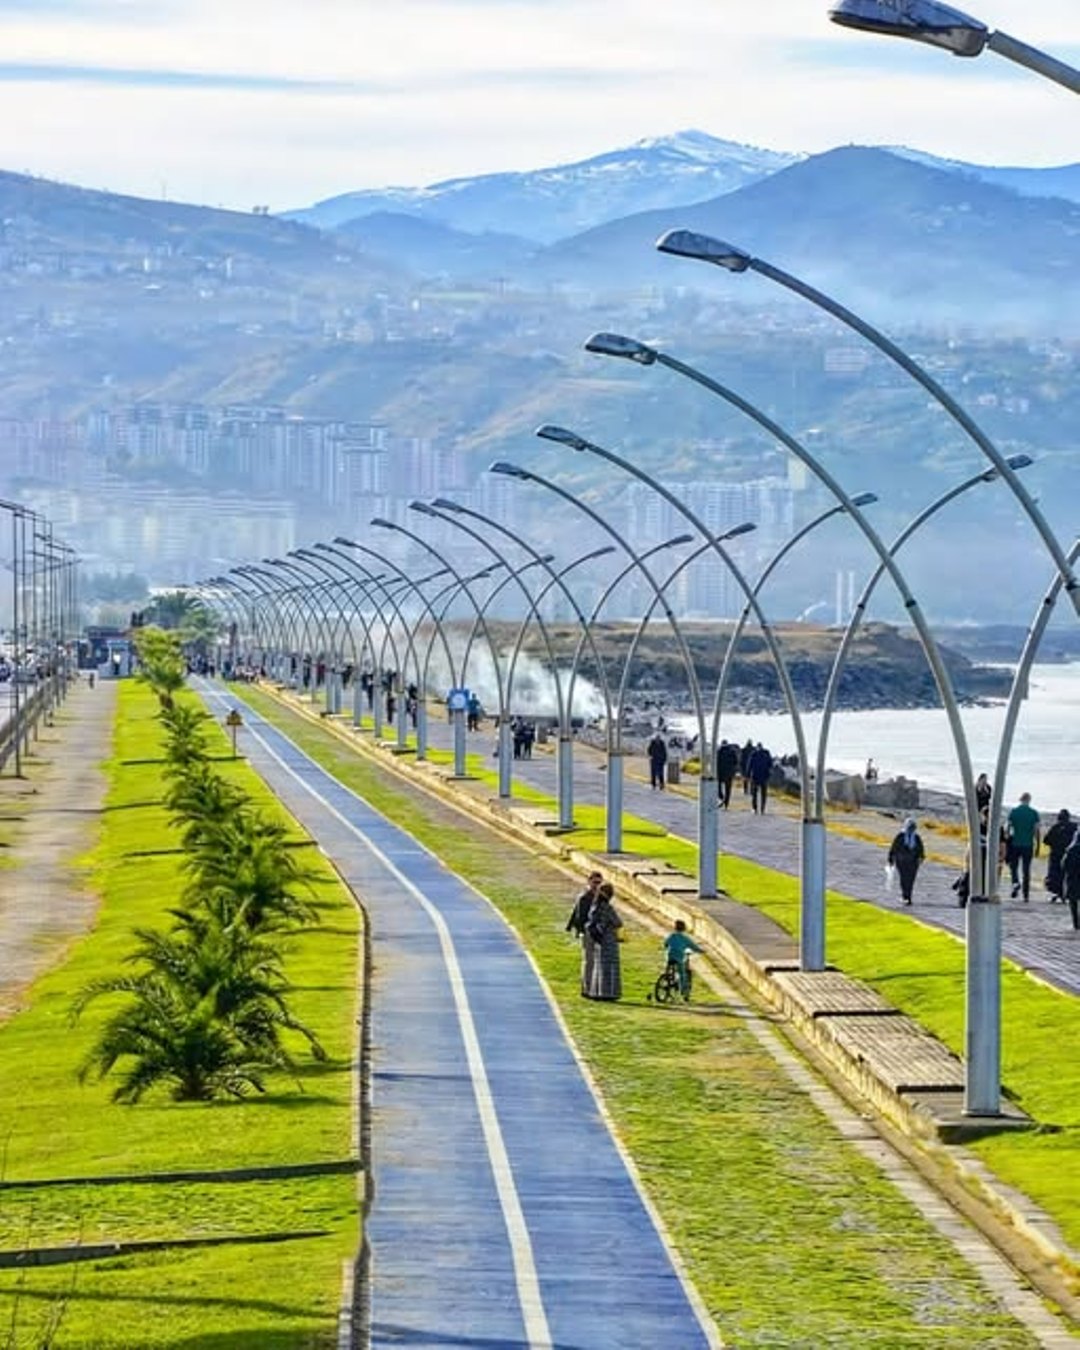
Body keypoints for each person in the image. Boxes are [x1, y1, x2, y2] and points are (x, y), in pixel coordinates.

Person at [565, 872, 603, 996]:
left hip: (597, 932)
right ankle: (586, 989)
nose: (597, 885)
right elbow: (579, 916)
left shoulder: (599, 897)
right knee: (589, 961)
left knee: (596, 961)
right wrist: (580, 931)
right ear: (589, 881)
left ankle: (594, 988)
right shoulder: (584, 897)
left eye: (599, 883)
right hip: (588, 932)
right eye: (595, 882)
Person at [586, 882, 623, 1001]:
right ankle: (608, 992)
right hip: (608, 939)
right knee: (610, 967)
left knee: (598, 965)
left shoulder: (594, 906)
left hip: (598, 939)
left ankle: (596, 991)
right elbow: (618, 922)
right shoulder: (607, 907)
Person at [1006, 792, 1042, 901]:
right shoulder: (1034, 813)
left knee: (1013, 867)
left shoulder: (1014, 812)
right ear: (1029, 800)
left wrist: (1006, 841)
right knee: (1026, 870)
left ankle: (1015, 883)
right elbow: (1036, 831)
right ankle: (1026, 895)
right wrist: (1038, 846)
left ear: (1020, 800)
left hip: (1015, 844)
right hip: (1028, 844)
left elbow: (1008, 828)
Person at [887, 816, 925, 906]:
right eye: (910, 827)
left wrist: (921, 857)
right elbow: (893, 848)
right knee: (904, 879)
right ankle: (905, 896)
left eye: (913, 827)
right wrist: (891, 859)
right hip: (901, 862)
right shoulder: (900, 836)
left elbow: (921, 849)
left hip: (913, 863)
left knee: (911, 880)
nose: (911, 829)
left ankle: (908, 896)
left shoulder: (916, 838)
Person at [663, 919, 703, 999]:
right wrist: (701, 951)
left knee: (668, 966)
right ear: (684, 928)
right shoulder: (685, 938)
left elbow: (666, 943)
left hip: (670, 955)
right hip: (679, 957)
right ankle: (683, 991)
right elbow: (693, 946)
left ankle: (665, 978)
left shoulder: (671, 936)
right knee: (682, 974)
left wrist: (667, 946)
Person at [1043, 809, 1076, 903]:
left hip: (1056, 855)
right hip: (1070, 854)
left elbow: (1046, 840)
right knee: (1069, 874)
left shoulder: (1055, 827)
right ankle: (1068, 893)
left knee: (1055, 874)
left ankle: (1056, 892)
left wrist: (1054, 844)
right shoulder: (1074, 827)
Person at [748, 742, 773, 814]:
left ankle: (755, 808)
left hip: (755, 776)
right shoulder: (766, 754)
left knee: (754, 793)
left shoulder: (754, 754)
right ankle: (762, 808)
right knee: (763, 794)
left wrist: (748, 774)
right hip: (764, 776)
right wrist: (769, 773)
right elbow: (770, 764)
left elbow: (750, 765)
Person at [1063, 829, 1080, 932]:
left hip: (1073, 879)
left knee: (1073, 902)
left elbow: (1064, 865)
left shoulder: (1071, 850)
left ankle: (1076, 923)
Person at [717, 739, 739, 809]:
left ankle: (721, 797)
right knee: (728, 789)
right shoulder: (732, 751)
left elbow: (715, 761)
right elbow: (736, 762)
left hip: (720, 772)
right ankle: (726, 803)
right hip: (729, 773)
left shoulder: (719, 751)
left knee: (718, 786)